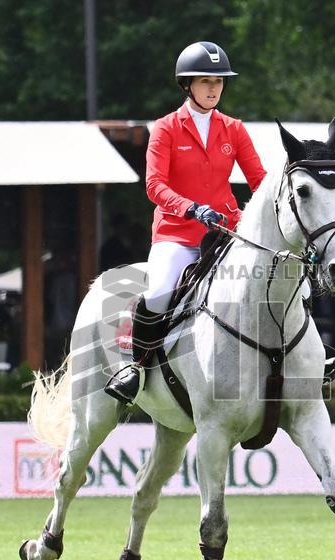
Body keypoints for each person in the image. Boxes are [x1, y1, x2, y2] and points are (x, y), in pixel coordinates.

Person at [104, 41, 268, 404]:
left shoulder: (234, 129)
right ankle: (136, 367)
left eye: (219, 81)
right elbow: (154, 185)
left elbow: (259, 181)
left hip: (226, 232)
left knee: (278, 279)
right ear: (187, 85)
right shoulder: (165, 129)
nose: (213, 89)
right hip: (176, 234)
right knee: (159, 292)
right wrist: (191, 208)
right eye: (205, 81)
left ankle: (306, 359)